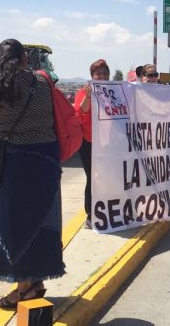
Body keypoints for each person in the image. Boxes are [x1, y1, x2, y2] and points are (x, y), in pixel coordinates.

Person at [0, 39, 65, 309]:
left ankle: (24, 289)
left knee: (15, 225)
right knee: (42, 220)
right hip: (47, 159)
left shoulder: (0, 85)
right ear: (25, 58)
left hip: (19, 161)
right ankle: (37, 280)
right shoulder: (44, 82)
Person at [74, 59, 110, 227]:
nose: (102, 76)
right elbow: (81, 112)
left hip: (109, 142)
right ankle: (91, 213)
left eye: (105, 73)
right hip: (89, 142)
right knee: (93, 177)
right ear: (92, 76)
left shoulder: (114, 92)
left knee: (108, 176)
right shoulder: (83, 92)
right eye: (98, 74)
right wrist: (88, 96)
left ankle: (107, 210)